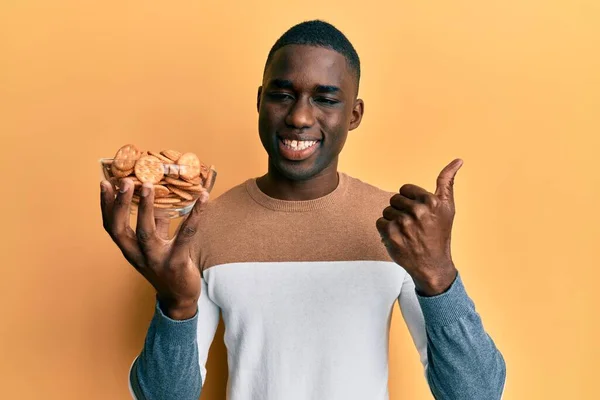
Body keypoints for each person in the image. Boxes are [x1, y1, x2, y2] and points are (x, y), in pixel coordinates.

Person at [100, 20, 506, 400]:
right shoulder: (203, 226)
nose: (298, 116)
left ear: (354, 114)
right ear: (260, 101)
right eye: (281, 95)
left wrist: (439, 277)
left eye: (325, 99)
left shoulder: (399, 227)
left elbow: (476, 393)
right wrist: (176, 305)